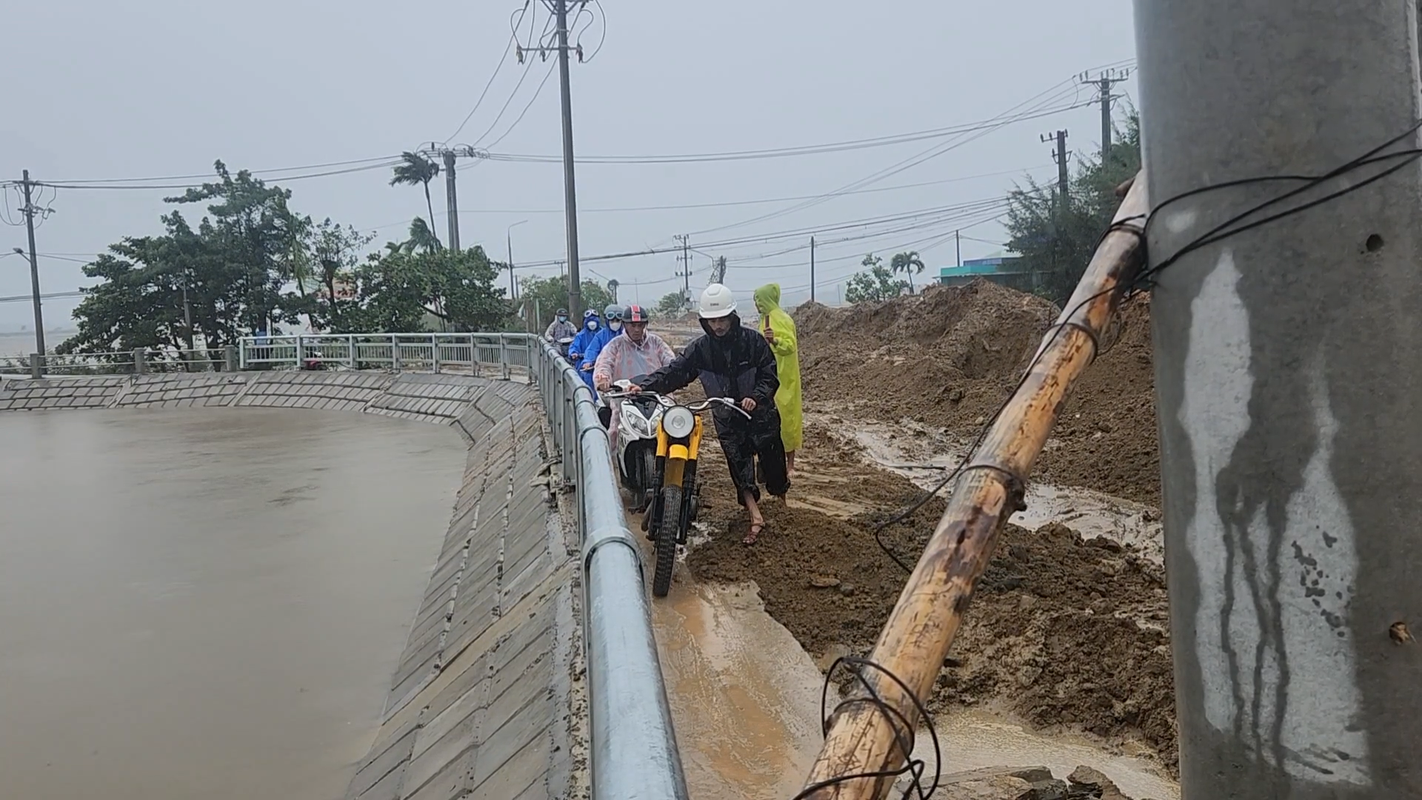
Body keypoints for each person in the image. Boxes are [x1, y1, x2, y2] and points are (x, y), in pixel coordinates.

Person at [629, 283, 789, 545]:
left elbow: (770, 374)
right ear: (704, 320)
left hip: (761, 416)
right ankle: (755, 517)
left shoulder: (754, 342)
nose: (718, 325)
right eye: (712, 320)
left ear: (732, 316)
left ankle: (783, 507)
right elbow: (676, 371)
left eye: (722, 318)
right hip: (727, 418)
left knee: (774, 464)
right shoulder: (700, 349)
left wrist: (756, 397)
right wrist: (645, 386)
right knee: (739, 467)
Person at [593, 304, 677, 443]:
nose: (637, 329)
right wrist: (603, 380)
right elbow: (604, 363)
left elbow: (671, 362)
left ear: (645, 324)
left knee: (676, 421)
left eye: (640, 325)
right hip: (625, 396)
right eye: (633, 325)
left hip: (655, 393)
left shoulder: (656, 342)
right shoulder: (616, 344)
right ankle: (611, 457)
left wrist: (675, 376)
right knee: (613, 426)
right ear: (625, 325)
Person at [753, 283, 803, 478]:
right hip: (768, 377)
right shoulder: (763, 319)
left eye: (759, 300)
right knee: (767, 421)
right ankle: (770, 464)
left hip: (785, 378)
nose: (757, 304)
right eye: (755, 301)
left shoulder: (781, 318)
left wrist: (775, 341)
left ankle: (790, 464)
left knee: (787, 420)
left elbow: (790, 345)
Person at [581, 304, 625, 371]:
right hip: (606, 369)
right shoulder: (600, 336)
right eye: (612, 321)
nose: (615, 323)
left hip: (625, 368)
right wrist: (588, 361)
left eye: (617, 321)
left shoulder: (626, 334)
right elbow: (592, 350)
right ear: (607, 321)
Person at [568, 309, 601, 391]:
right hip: (585, 368)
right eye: (590, 321)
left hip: (601, 364)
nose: (592, 323)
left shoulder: (602, 333)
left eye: (594, 320)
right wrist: (574, 353)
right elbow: (574, 346)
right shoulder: (581, 335)